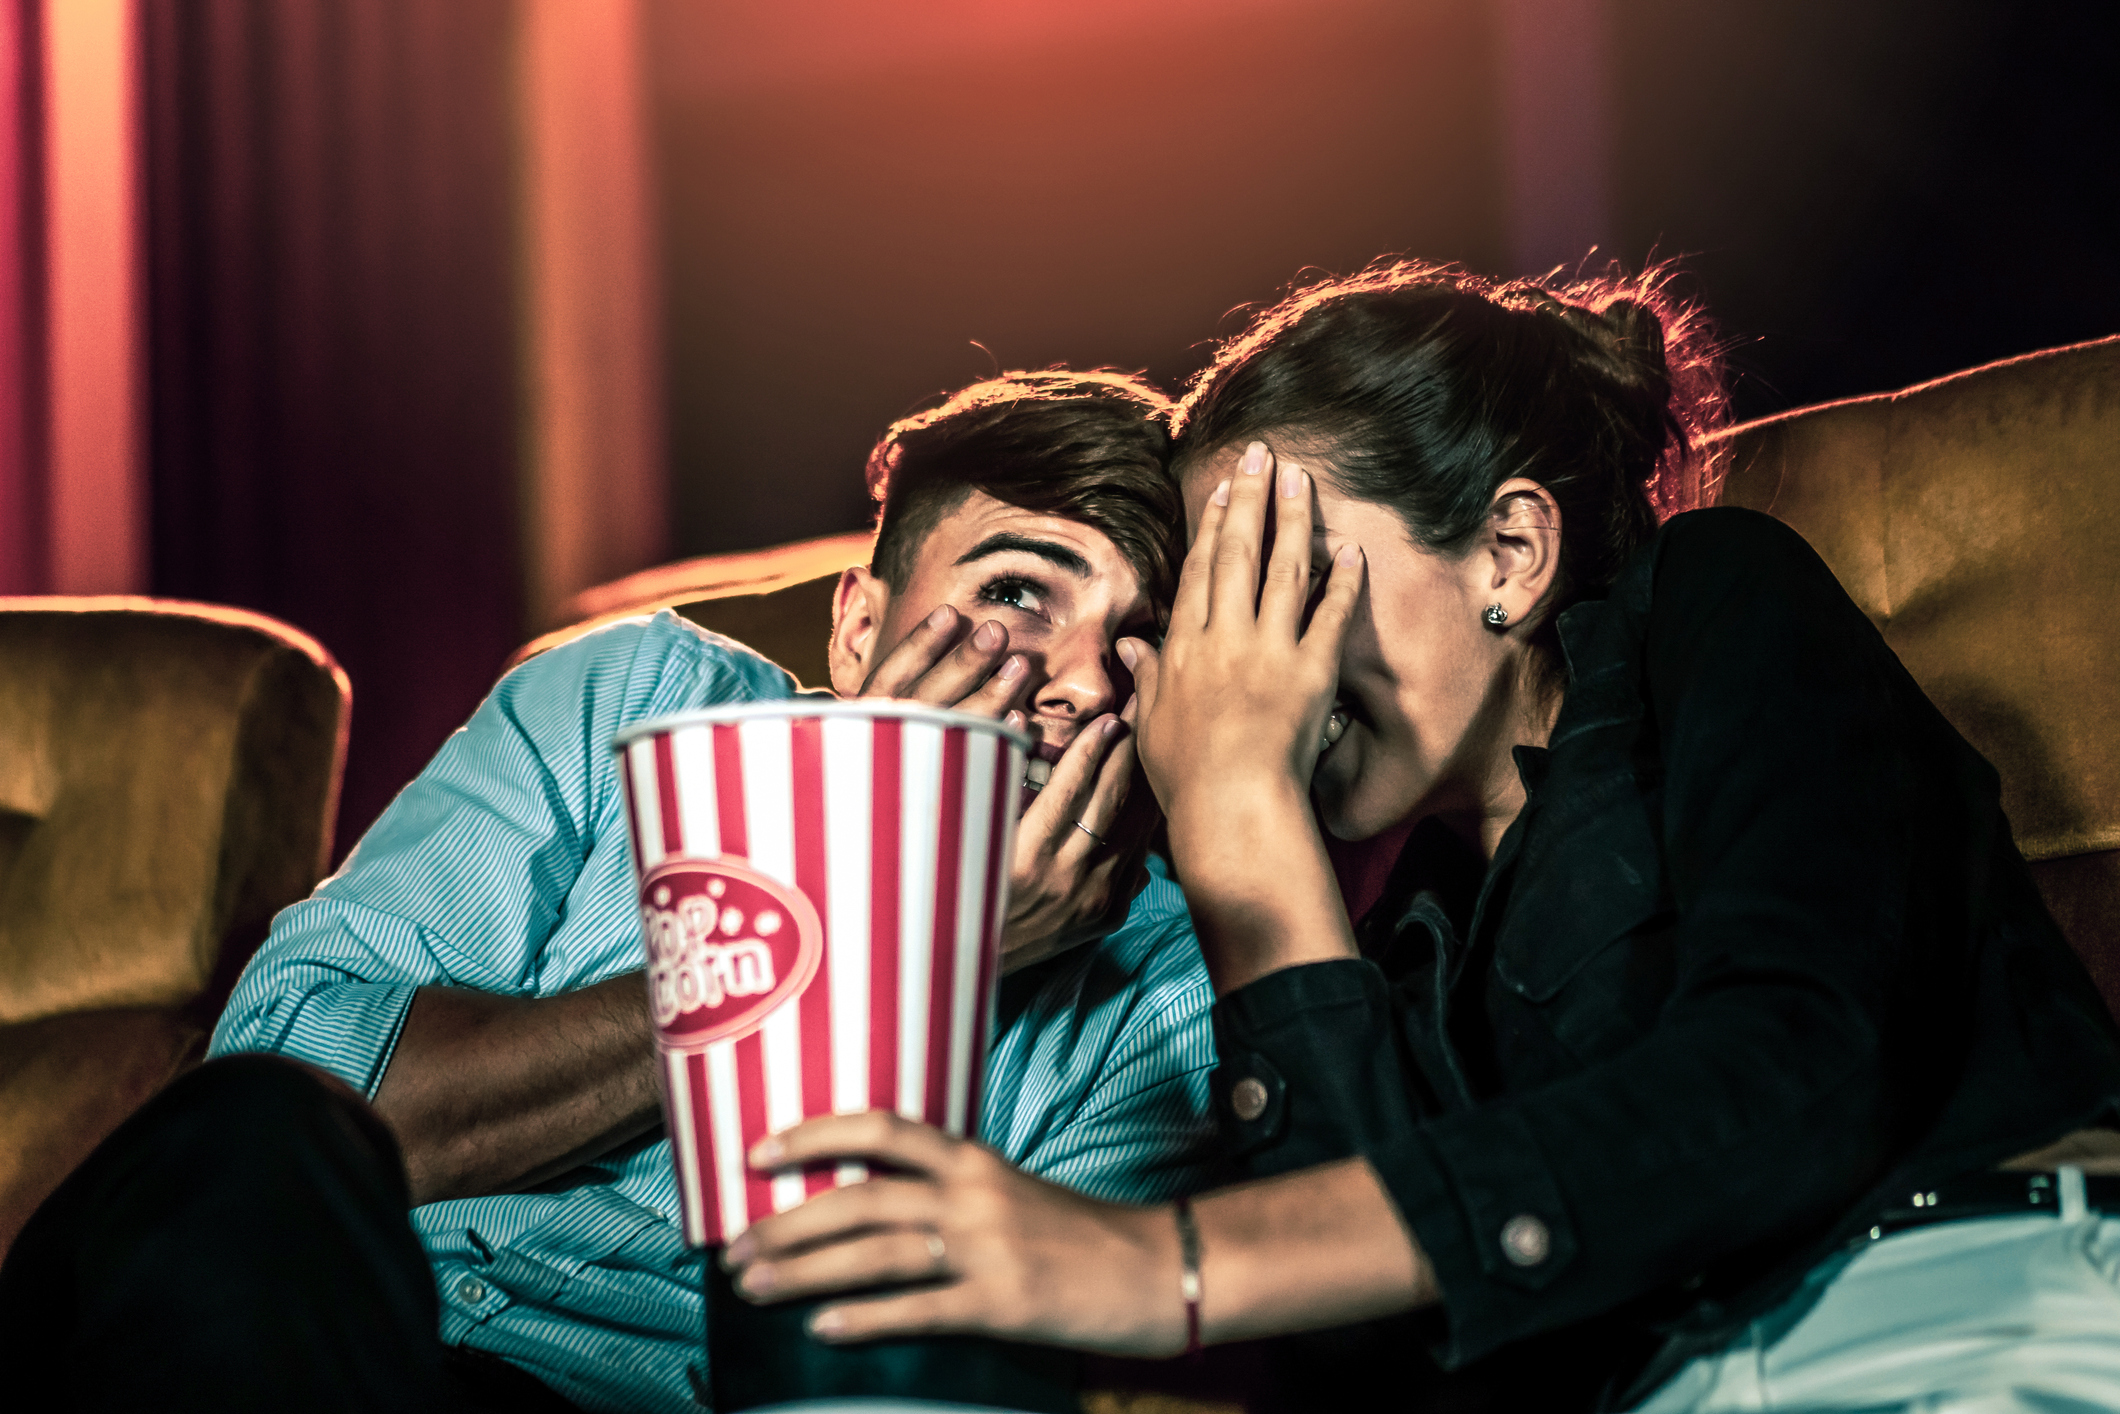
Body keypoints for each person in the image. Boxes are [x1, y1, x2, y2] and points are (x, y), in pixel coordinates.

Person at [720, 263, 2120, 1412]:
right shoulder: (1393, 929)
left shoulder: (1711, 605)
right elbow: (1385, 1375)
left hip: (1974, 1300)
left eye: (1281, 581)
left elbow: (1798, 1066)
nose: (1235, 667)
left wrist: (1163, 1264)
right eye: (1203, 617)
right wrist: (1243, 843)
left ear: (1511, 551)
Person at [0, 370, 1219, 1413]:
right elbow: (302, 1110)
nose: (1076, 684)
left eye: (1135, 642)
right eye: (1015, 593)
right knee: (251, 1142)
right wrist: (881, 928)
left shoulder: (1161, 989)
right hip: (261, 1328)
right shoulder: (625, 698)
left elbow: (935, 1369)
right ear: (856, 630)